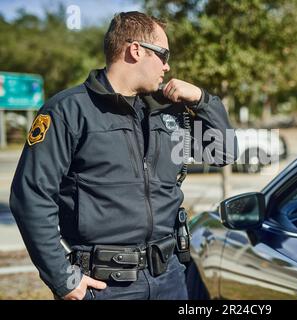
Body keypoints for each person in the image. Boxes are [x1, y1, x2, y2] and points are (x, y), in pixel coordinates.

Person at [10, 11, 237, 300]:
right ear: (136, 50)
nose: (167, 66)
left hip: (169, 277)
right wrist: (62, 278)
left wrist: (204, 100)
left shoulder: (167, 112)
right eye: (163, 54)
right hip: (103, 286)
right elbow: (31, 196)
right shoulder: (68, 110)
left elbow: (224, 152)